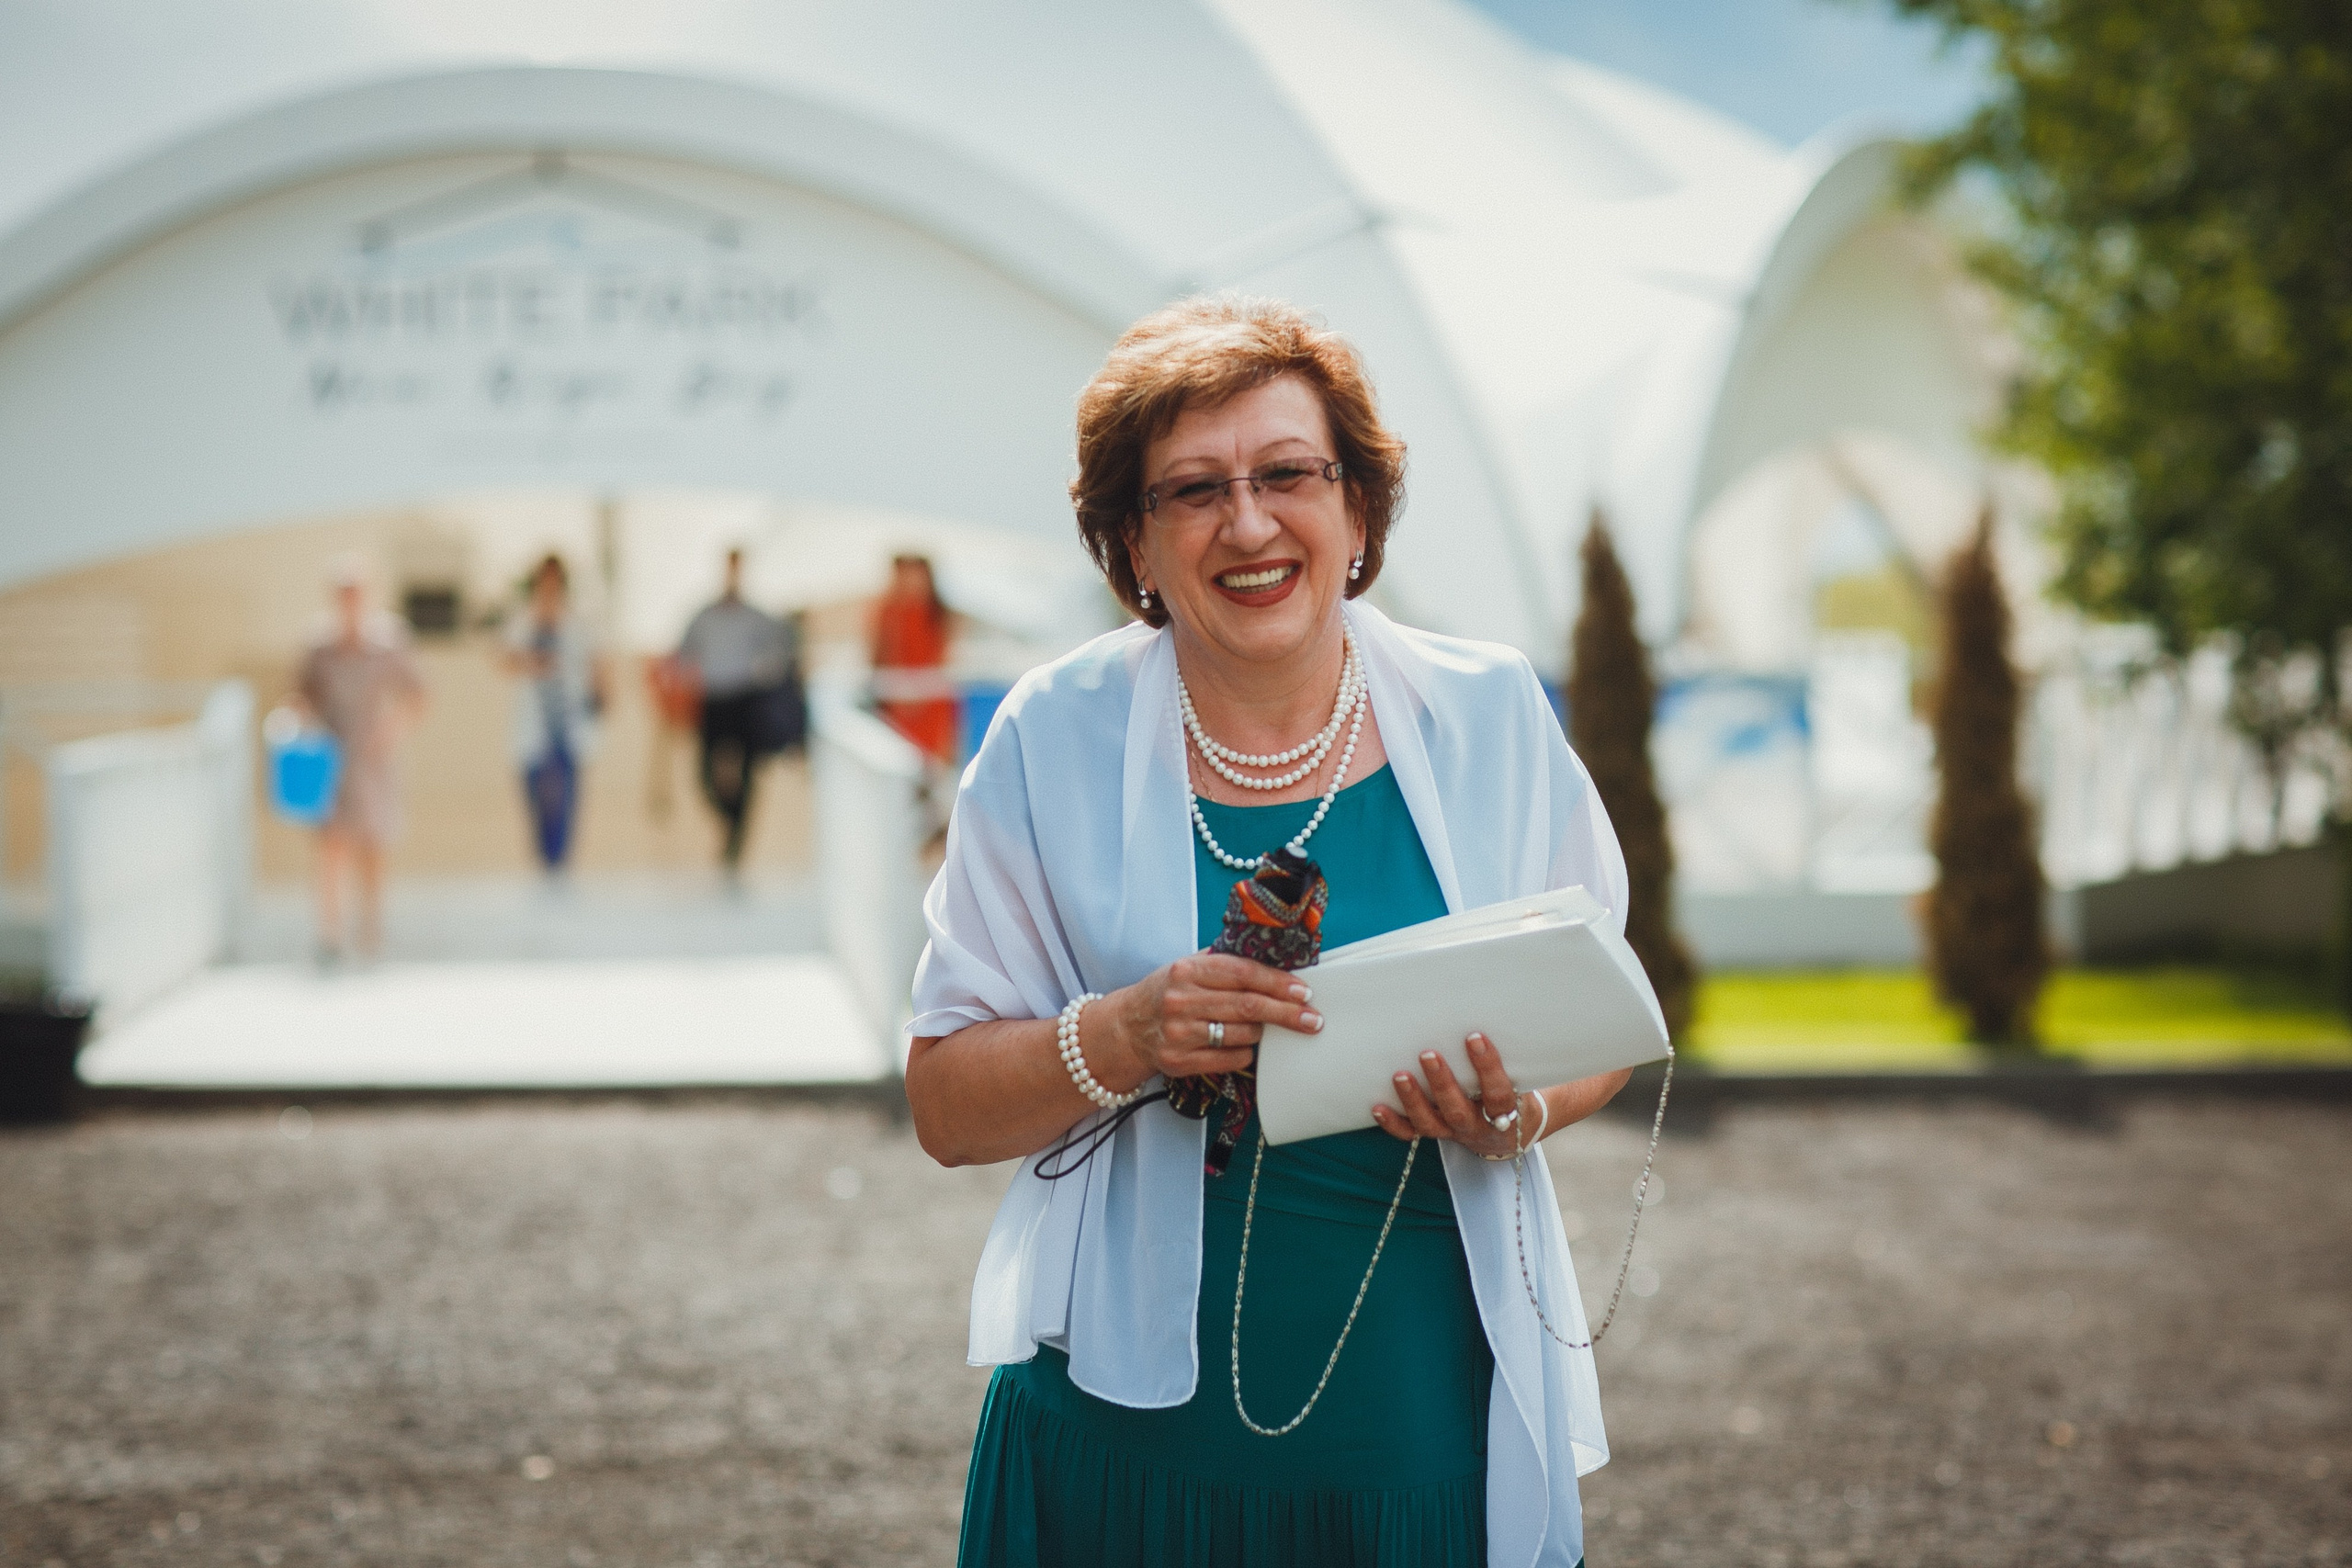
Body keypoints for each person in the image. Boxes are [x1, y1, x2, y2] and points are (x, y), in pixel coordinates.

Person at [906, 296, 1634, 1567]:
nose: (1248, 522)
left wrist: (1517, 1111)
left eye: (1288, 472)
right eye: (1192, 490)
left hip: (1417, 1436)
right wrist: (1121, 1032)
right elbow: (946, 1105)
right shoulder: (1046, 735)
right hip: (1121, 1459)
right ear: (1133, 539)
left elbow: (1599, 1019)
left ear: (1357, 509)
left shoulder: (1490, 715)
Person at [297, 559, 424, 964]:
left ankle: (371, 931)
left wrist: (391, 730)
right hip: (330, 754)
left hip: (371, 758)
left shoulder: (388, 640)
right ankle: (330, 932)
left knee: (373, 844)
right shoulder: (319, 645)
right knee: (331, 844)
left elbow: (417, 694)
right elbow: (303, 694)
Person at [677, 547, 788, 871]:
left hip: (745, 698)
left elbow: (783, 647)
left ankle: (736, 840)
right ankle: (729, 822)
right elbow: (683, 653)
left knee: (747, 773)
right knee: (706, 775)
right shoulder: (704, 616)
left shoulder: (757, 617)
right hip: (713, 700)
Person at [502, 553, 608, 874]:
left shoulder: (578, 625)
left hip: (568, 733)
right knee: (537, 811)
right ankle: (545, 867)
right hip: (532, 734)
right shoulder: (522, 622)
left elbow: (598, 669)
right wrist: (531, 662)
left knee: (565, 812)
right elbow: (503, 659)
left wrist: (600, 698)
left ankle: (559, 870)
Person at [870, 553, 959, 765]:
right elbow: (883, 658)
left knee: (933, 770)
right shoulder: (887, 612)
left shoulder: (937, 614)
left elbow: (942, 661)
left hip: (931, 706)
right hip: (897, 707)